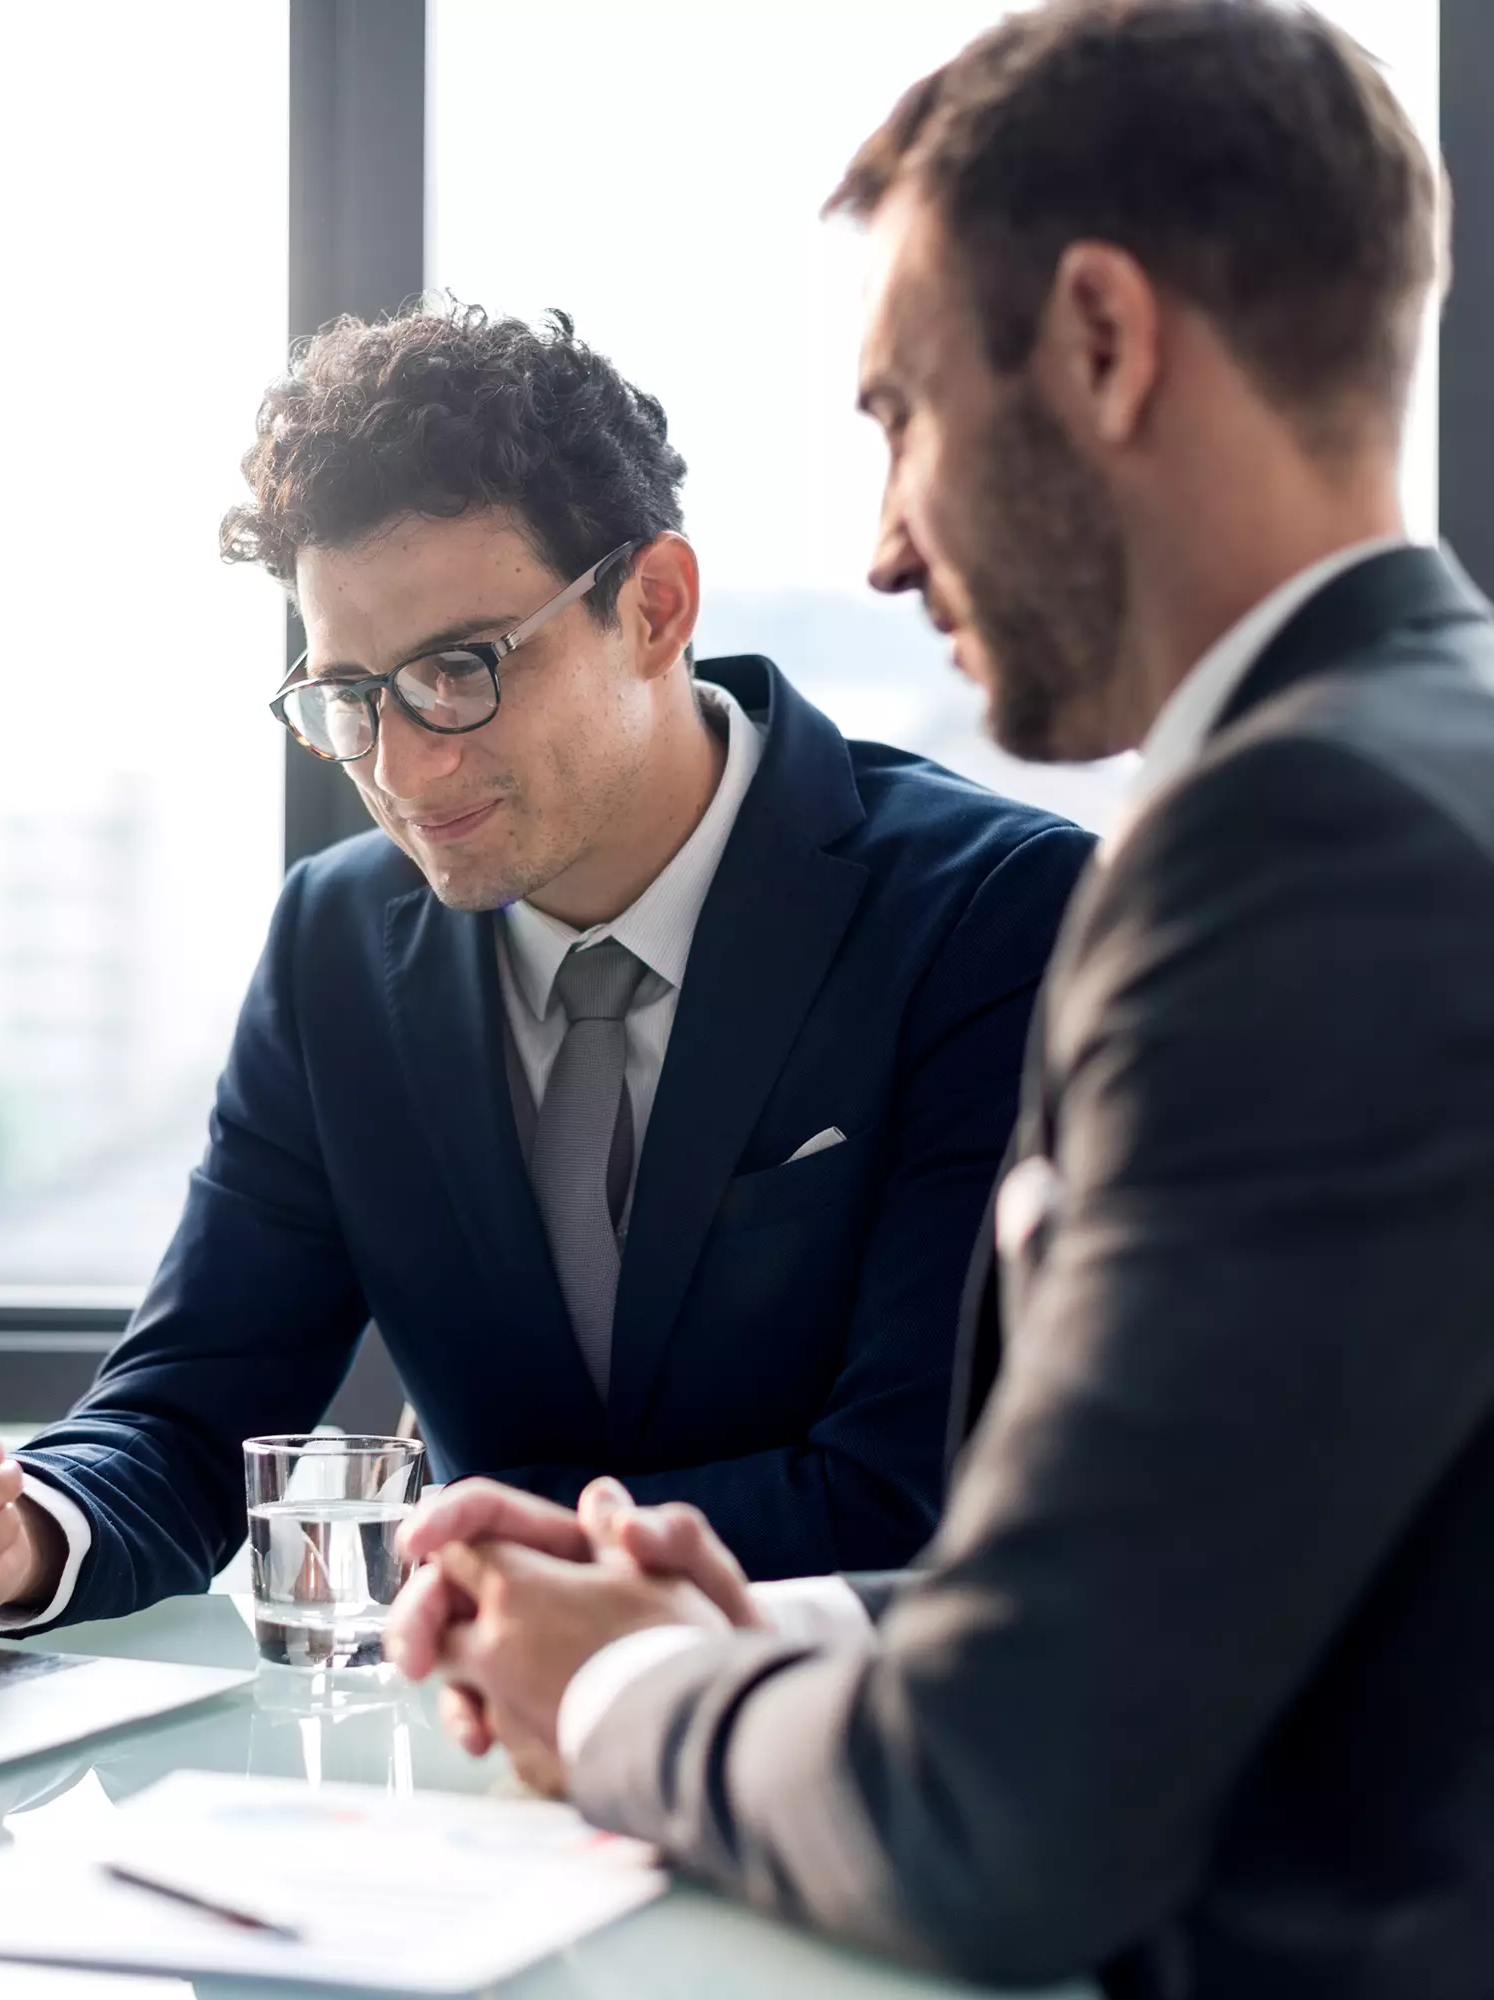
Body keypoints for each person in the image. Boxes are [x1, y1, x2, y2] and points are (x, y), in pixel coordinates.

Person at [387, 5, 1494, 1995]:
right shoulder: (1437, 769)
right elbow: (1248, 1572)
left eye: (898, 412)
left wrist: (623, 1693)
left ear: (1098, 339)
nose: (884, 547)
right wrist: (797, 1633)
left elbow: (1002, 1817)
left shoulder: (1298, 849)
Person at [0, 306, 1090, 1626]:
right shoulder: (336, 946)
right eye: (351, 695)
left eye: (460, 671)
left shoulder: (991, 916)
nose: (407, 770)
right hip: (468, 1771)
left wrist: (462, 1563)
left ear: (654, 606)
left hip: (847, 1753)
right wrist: (19, 1530)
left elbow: (918, 1492)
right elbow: (187, 1412)